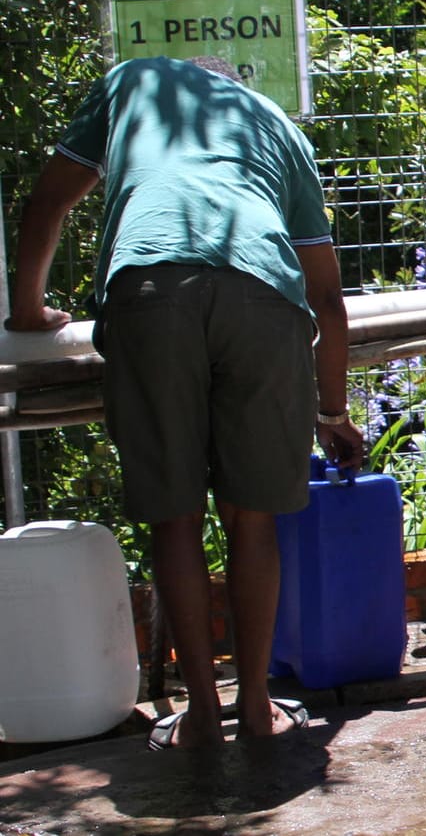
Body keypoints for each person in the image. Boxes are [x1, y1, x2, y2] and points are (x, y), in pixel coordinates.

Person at [6, 55, 366, 749]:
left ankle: (203, 714)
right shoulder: (278, 128)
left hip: (151, 284)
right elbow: (326, 297)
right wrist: (331, 413)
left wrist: (27, 311)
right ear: (238, 87)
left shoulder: (135, 82)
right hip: (263, 290)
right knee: (252, 519)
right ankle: (256, 705)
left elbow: (48, 200)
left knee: (175, 518)